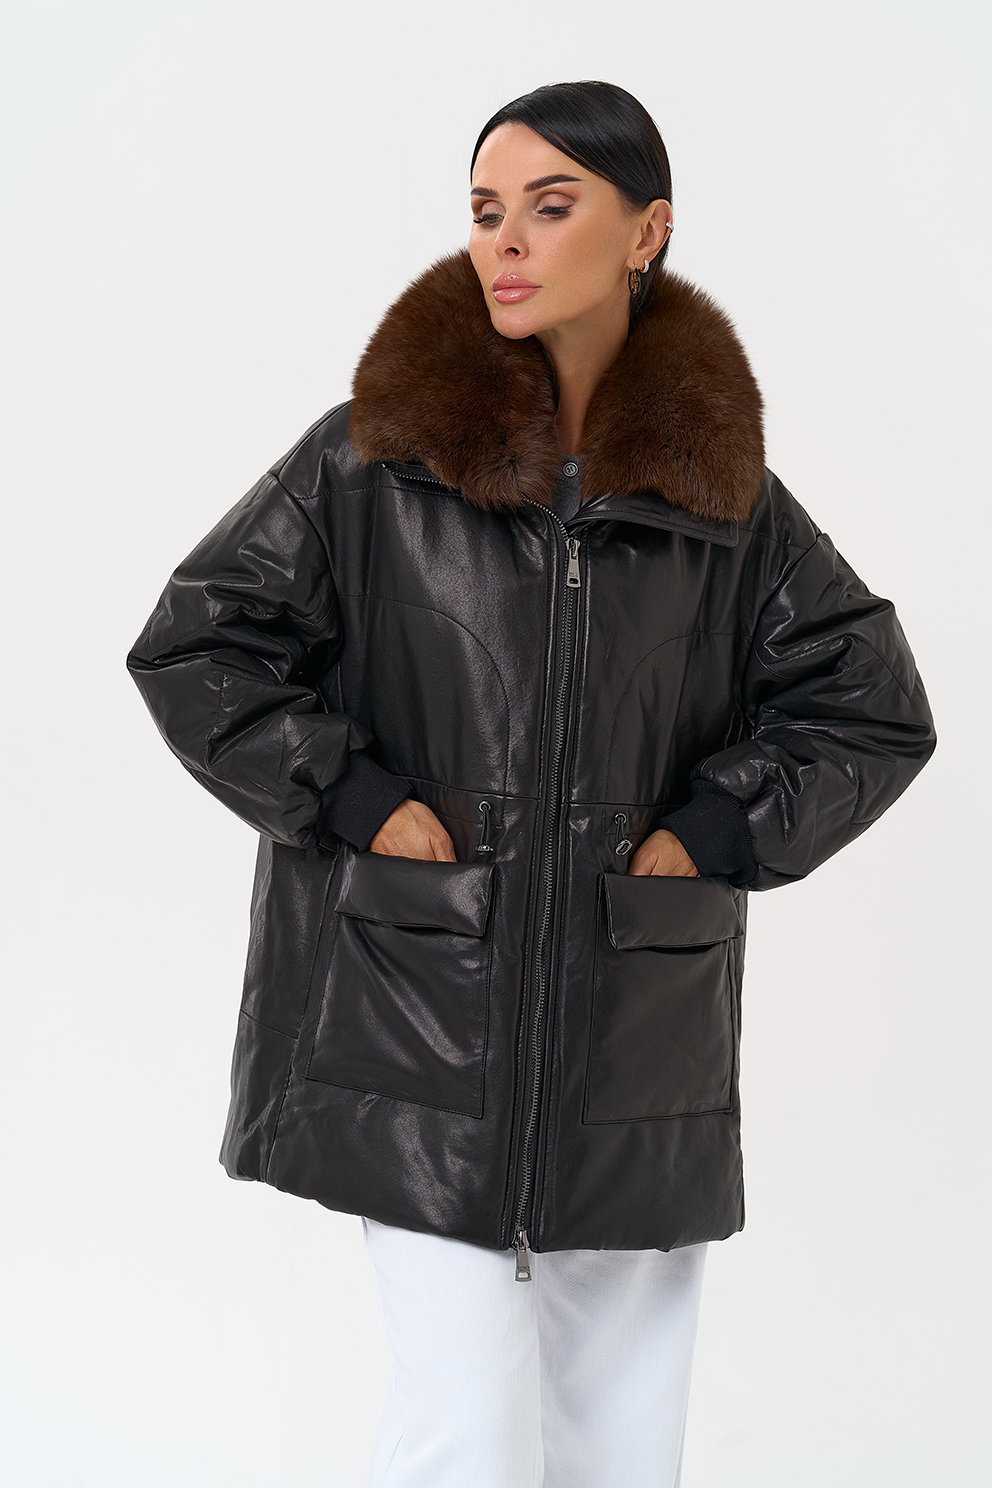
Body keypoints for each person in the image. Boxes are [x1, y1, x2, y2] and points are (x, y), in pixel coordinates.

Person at [127, 80, 936, 1488]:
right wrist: (357, 798)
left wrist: (714, 828)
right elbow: (201, 647)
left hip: (638, 1034)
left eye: (551, 207)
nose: (504, 241)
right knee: (468, 1440)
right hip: (417, 1009)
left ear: (647, 233)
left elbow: (871, 706)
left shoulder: (721, 500)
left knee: (623, 1449)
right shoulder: (370, 461)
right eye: (486, 210)